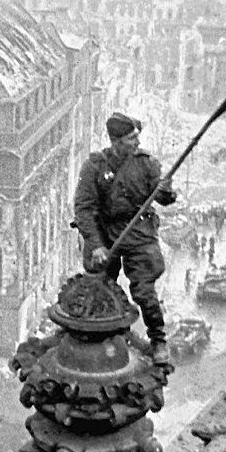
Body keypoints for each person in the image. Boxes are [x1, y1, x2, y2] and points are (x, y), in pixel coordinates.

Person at [73, 112, 177, 363]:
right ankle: (108, 335)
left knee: (144, 290)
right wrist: (96, 245)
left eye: (137, 137)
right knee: (99, 285)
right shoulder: (95, 166)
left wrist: (166, 191)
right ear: (116, 141)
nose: (137, 143)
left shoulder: (147, 163)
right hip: (105, 233)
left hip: (138, 232)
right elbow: (84, 208)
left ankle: (158, 339)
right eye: (131, 139)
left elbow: (164, 198)